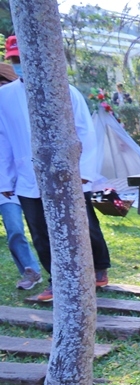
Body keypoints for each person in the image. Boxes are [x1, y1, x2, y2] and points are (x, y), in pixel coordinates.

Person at [0, 35, 111, 302]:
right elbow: (2, 138)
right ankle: (56, 281)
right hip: (27, 177)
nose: (19, 65)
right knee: (40, 231)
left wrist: (83, 172)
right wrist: (4, 181)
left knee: (83, 223)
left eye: (22, 59)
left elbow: (85, 131)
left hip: (68, 174)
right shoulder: (4, 97)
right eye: (15, 60)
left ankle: (98, 269)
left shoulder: (64, 90)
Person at [0, 60, 43, 290]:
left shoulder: (25, 108)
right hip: (5, 183)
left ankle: (39, 270)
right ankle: (30, 271)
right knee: (14, 230)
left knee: (31, 229)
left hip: (25, 181)